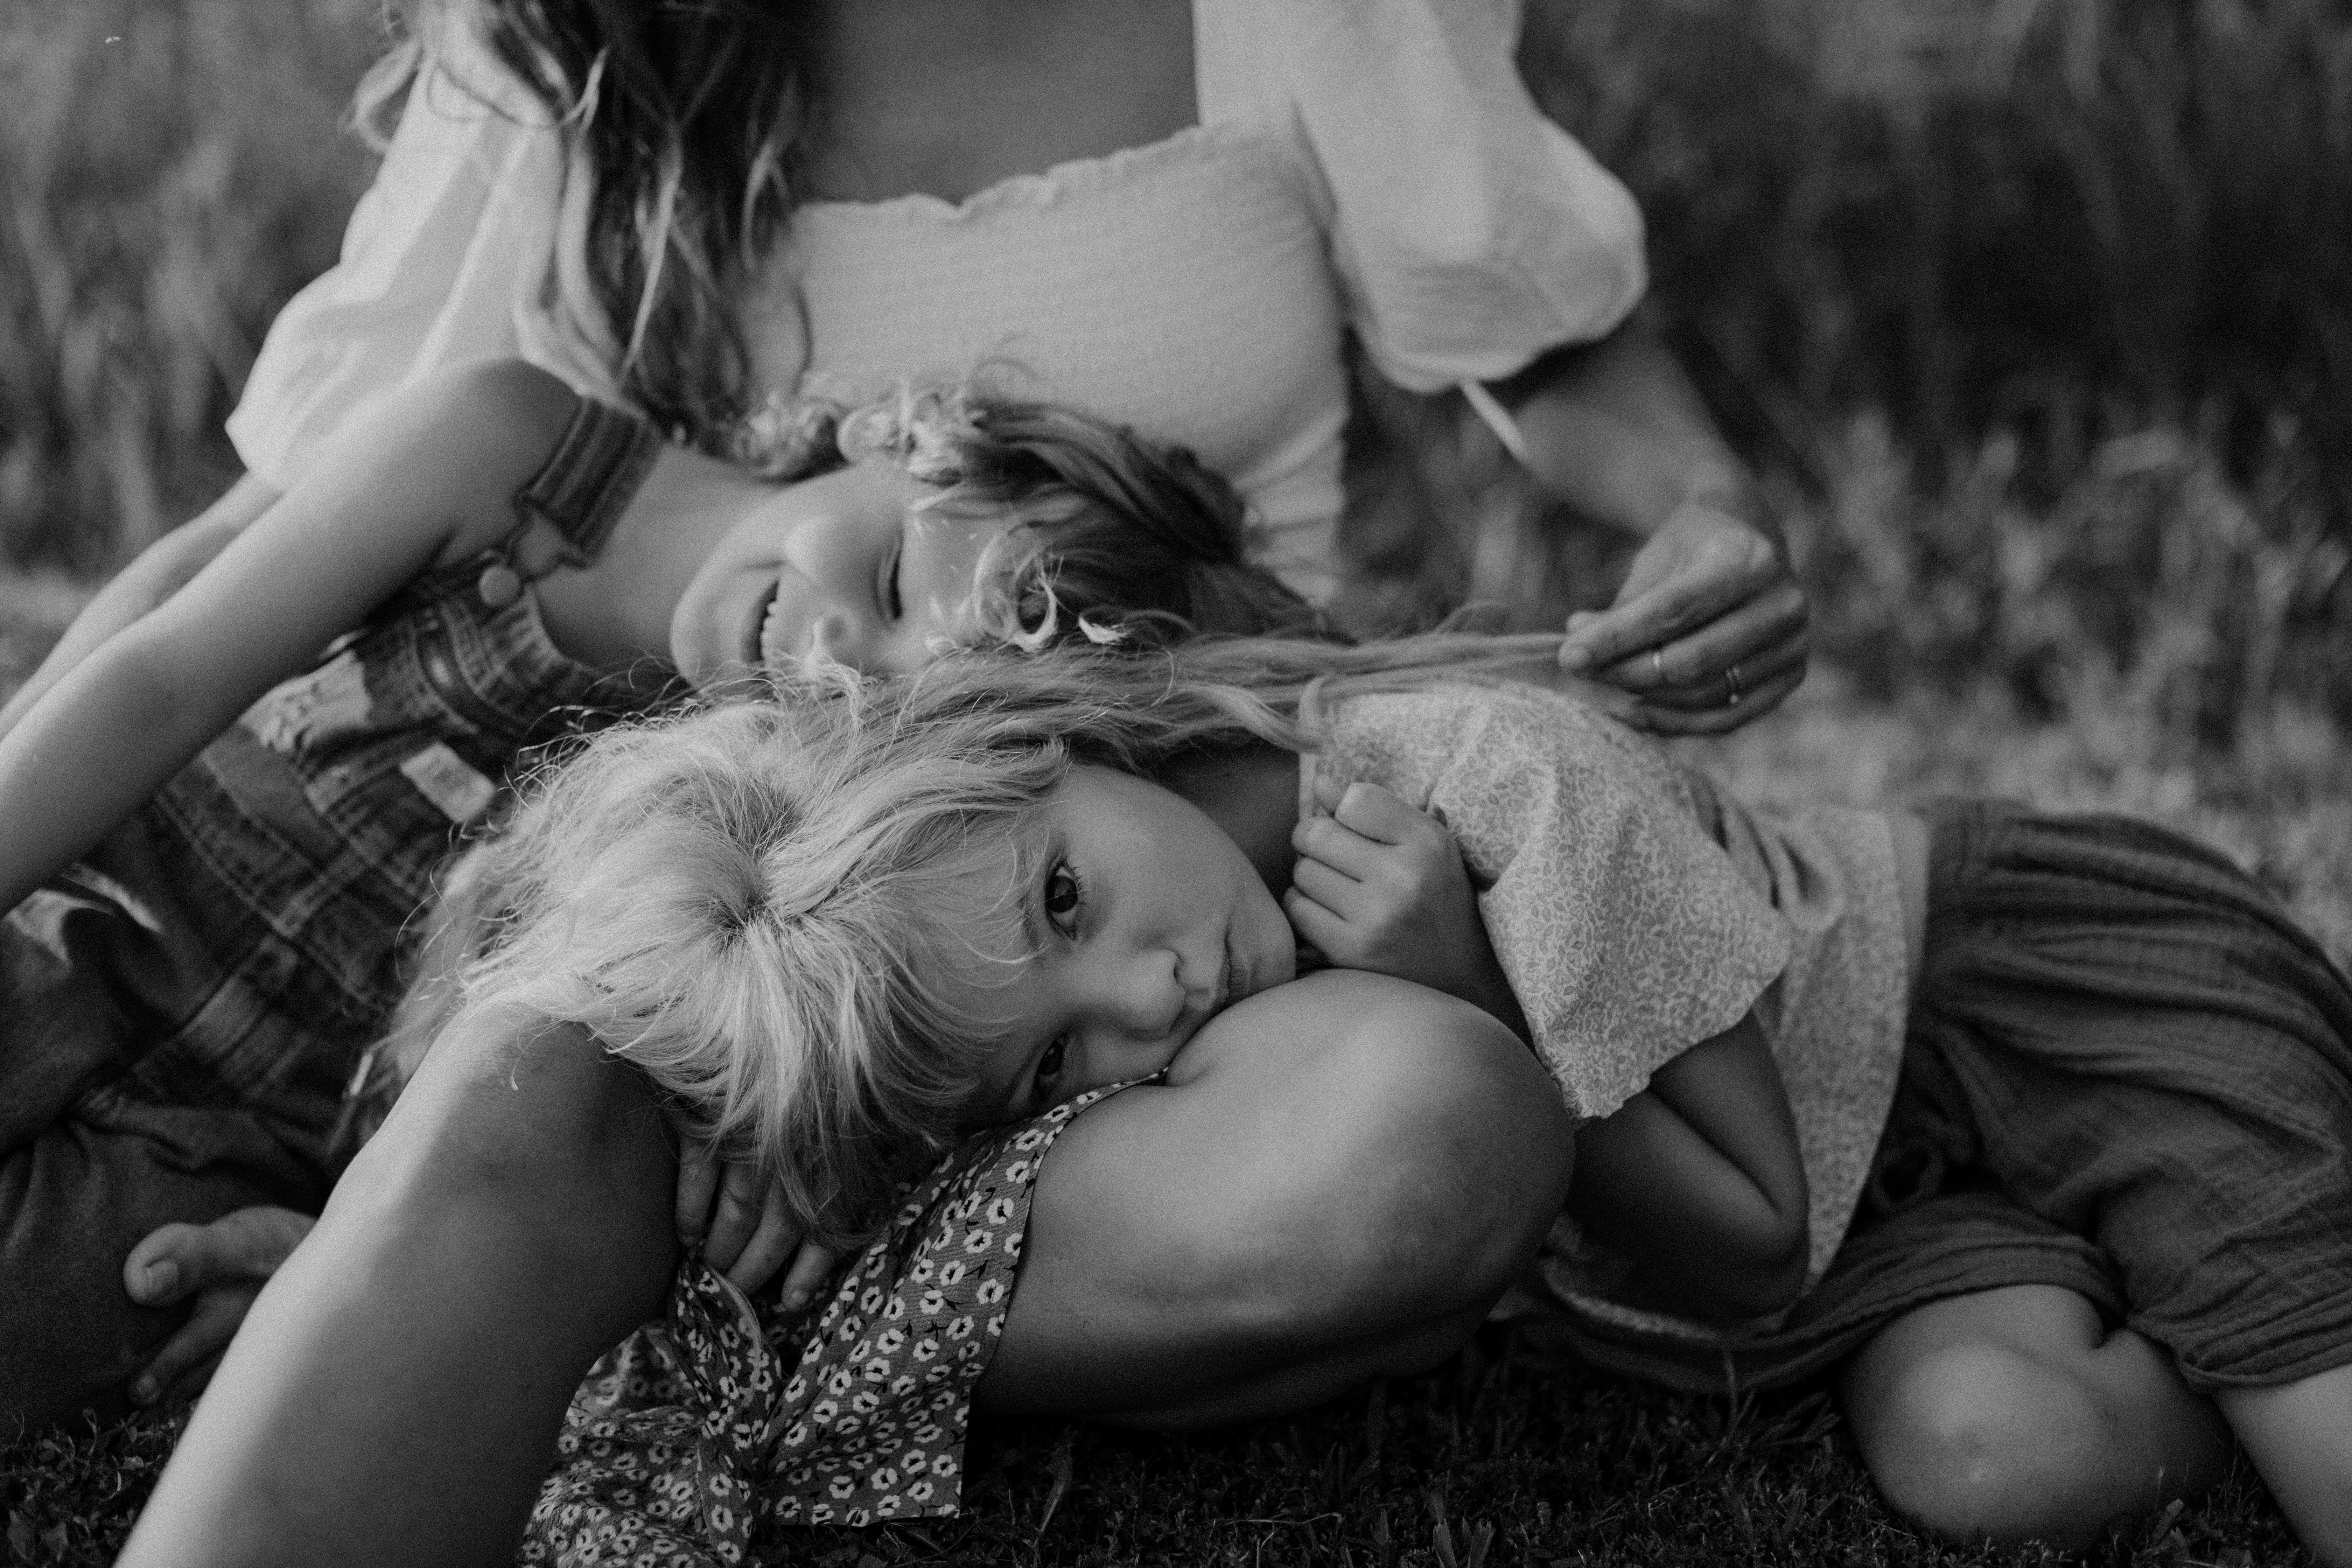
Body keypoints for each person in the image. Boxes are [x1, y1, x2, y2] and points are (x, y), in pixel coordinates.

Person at [132, 636, 2352, 1564]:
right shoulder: (1091, 960)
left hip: (2012, 986)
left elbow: (1749, 1236)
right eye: (1065, 1044)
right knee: (2005, 1456)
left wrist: (1465, 983)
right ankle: (2143, 1342)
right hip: (1883, 1241)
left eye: (1081, 897)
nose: (1159, 992)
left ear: (1048, 744)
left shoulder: (1490, 788)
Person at [0, 358, 1310, 1427]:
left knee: (64, 1308)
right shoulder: (508, 452)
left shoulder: (764, 864)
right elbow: (157, 683)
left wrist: (324, 1259)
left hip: (245, 1148)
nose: (837, 655)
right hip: (102, 910)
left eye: (891, 712)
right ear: (909, 435)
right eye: (901, 582)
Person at [100, 0, 1807, 744]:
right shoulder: (589, 37)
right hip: (731, 869)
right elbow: (290, 522)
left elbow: (1548, 336)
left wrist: (1710, 510)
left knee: (1400, 1146)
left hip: (1178, 815)